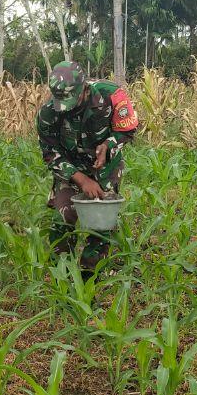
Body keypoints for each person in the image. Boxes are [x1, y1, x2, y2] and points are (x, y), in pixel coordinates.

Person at [36, 60, 140, 279]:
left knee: (102, 223)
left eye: (72, 100)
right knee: (61, 219)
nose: (68, 107)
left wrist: (108, 145)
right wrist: (81, 179)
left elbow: (128, 129)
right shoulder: (48, 113)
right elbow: (49, 152)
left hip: (105, 167)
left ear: (84, 88)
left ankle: (90, 277)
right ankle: (62, 276)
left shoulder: (111, 95)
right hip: (70, 168)